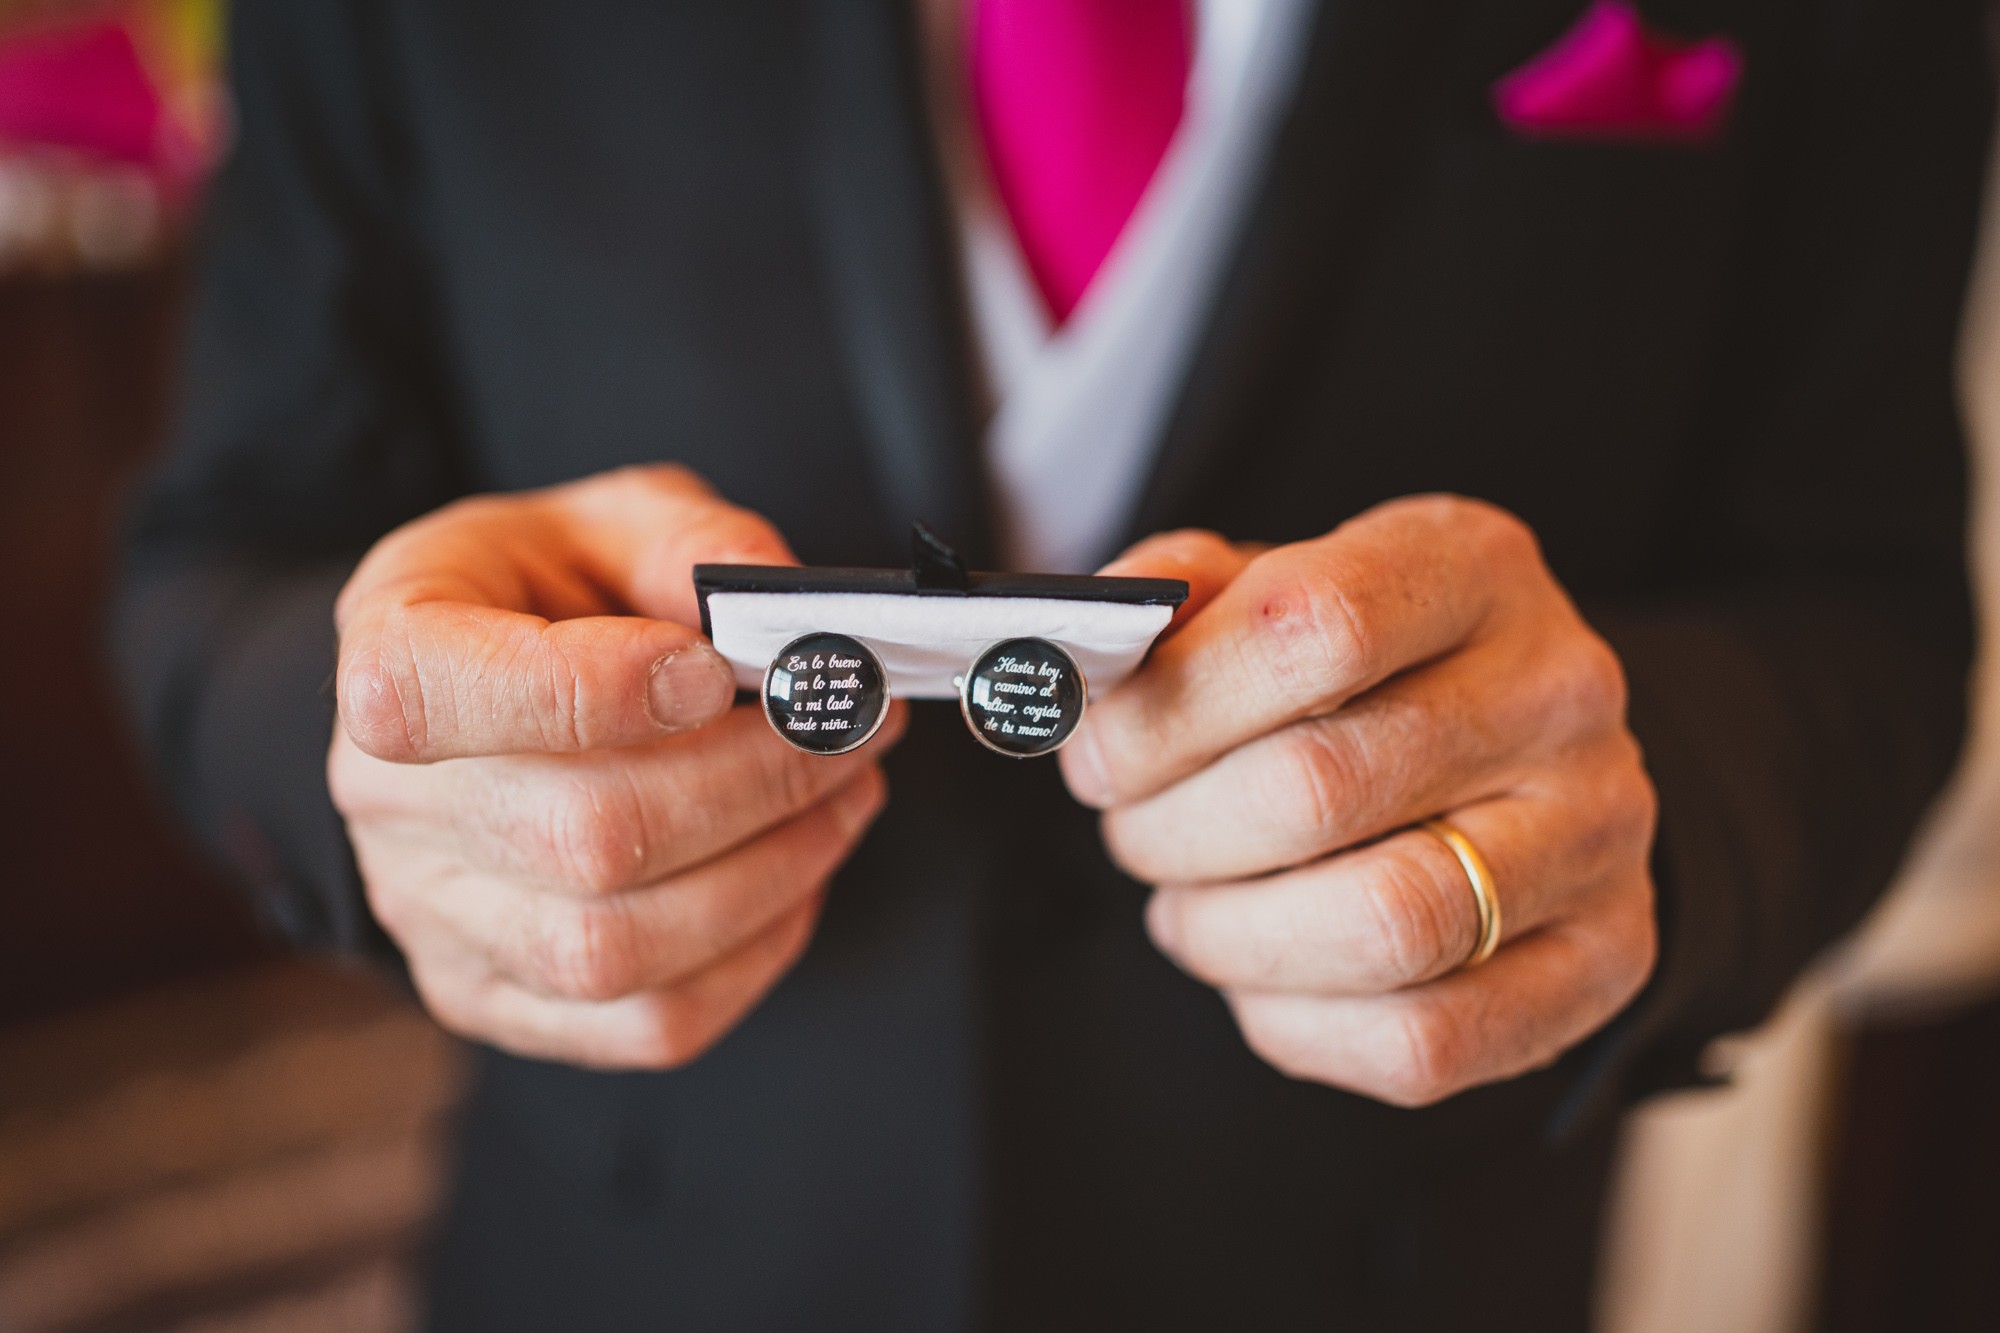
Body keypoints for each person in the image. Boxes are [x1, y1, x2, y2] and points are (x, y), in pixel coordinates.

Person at [114, 1, 1991, 1328]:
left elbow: (1864, 596)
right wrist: (391, 756)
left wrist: (1620, 811)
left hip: (1394, 1266)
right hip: (652, 1253)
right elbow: (232, 553)